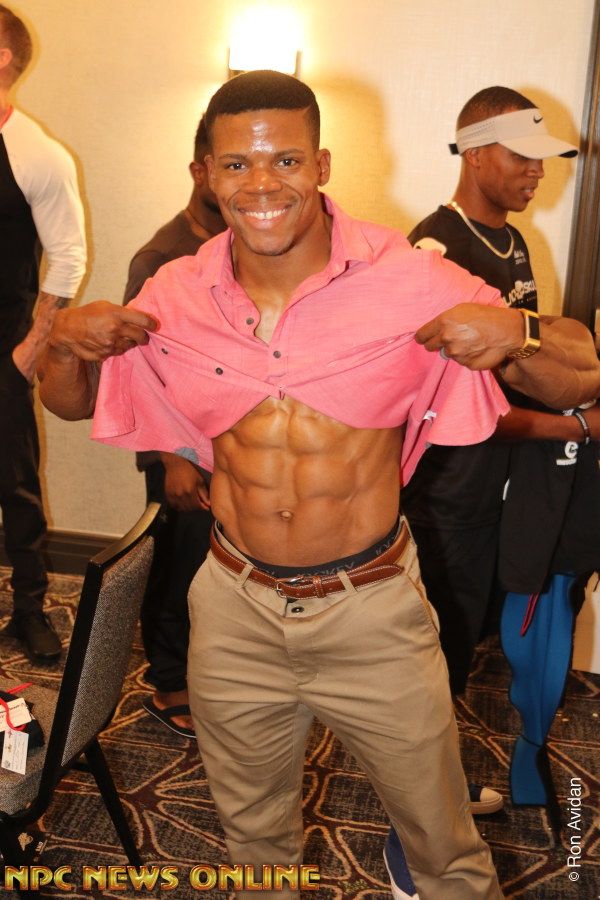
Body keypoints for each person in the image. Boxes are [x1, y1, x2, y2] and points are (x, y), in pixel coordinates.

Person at [37, 72, 600, 899]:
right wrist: (63, 342)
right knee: (254, 843)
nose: (262, 183)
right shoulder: (175, 292)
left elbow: (582, 370)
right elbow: (69, 401)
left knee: (444, 849)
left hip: (371, 610)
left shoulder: (405, 276)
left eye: (287, 160)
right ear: (208, 173)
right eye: (237, 164)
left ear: (322, 165)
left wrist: (518, 333)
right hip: (235, 608)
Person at [387, 84, 599, 900]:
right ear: (476, 153)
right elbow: (462, 407)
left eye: (543, 161)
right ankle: (412, 842)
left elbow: (531, 368)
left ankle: (437, 798)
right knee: (429, 666)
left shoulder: (512, 244)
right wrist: (577, 426)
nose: (537, 173)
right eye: (522, 157)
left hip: (488, 489)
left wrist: (571, 394)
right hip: (443, 495)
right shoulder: (436, 250)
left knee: (461, 653)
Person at [123, 114, 226, 738]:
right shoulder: (161, 258)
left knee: (215, 571)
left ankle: (210, 674)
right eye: (228, 166)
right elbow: (136, 367)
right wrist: (173, 457)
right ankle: (168, 683)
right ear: (199, 171)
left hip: (226, 444)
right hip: (178, 448)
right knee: (178, 566)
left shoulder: (243, 246)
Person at [0, 5, 86, 660]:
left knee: (15, 482)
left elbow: (69, 255)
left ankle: (29, 610)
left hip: (4, 344)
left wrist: (31, 346)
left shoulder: (37, 153)